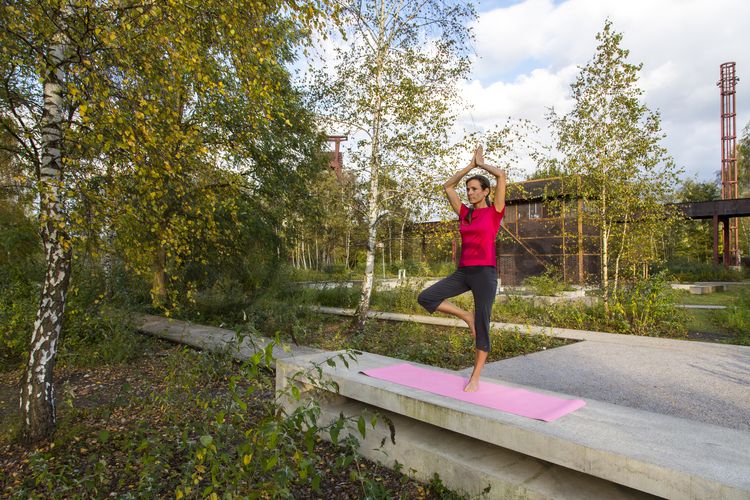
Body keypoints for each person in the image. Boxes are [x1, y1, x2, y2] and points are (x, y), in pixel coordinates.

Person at [417, 145, 506, 392]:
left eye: (474, 189)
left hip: (485, 273)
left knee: (483, 324)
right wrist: (469, 167)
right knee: (426, 297)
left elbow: (501, 176)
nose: (469, 193)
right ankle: (465, 316)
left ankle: (475, 376)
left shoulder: (495, 212)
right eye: (468, 189)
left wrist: (482, 164)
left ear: (486, 192)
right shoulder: (464, 214)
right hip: (464, 271)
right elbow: (448, 186)